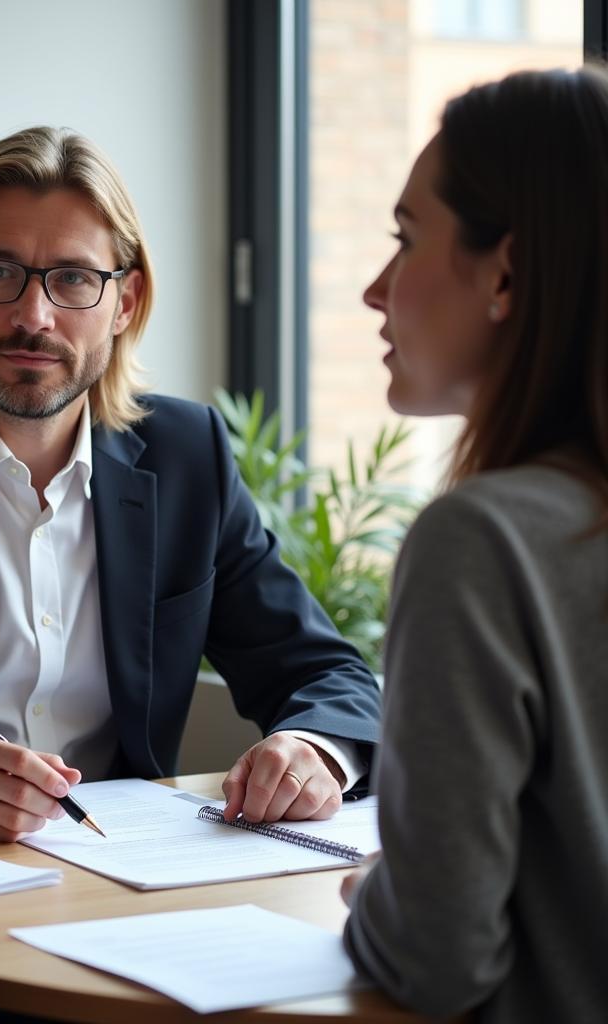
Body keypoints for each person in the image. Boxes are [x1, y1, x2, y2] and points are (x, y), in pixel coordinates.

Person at [0, 126, 381, 842]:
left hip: (128, 875)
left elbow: (323, 671)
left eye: (73, 277)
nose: (32, 317)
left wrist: (314, 751)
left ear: (125, 302)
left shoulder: (186, 455)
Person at [341, 67, 608, 1022]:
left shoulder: (482, 544)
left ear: (504, 273)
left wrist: (375, 895)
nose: (376, 290)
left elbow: (436, 956)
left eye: (407, 239)